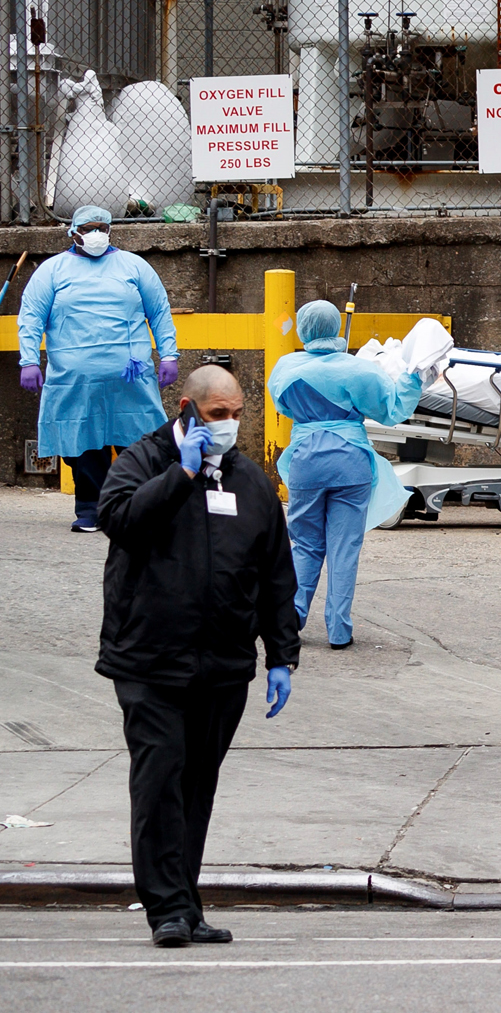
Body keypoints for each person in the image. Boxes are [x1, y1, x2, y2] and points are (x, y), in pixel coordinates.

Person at [96, 364, 298, 948]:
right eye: (218, 416)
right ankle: (167, 909)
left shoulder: (250, 482)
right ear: (187, 409)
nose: (230, 425)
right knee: (160, 780)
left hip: (223, 663)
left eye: (238, 415)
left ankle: (186, 902)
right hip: (150, 659)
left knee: (196, 786)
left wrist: (281, 653)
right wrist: (182, 473)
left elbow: (274, 572)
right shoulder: (141, 461)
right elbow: (122, 520)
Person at [267, 299, 427, 650]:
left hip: (305, 458)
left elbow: (281, 405)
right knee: (344, 548)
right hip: (350, 460)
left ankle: (292, 615)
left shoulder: (285, 368)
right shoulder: (360, 370)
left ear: (304, 329)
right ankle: (339, 630)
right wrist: (414, 378)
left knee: (306, 544)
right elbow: (392, 410)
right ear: (336, 328)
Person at [15, 205, 180, 532]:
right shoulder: (52, 271)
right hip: (75, 379)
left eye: (102, 227)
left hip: (130, 377)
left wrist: (170, 354)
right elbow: (31, 317)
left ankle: (139, 505)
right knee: (83, 444)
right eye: (89, 228)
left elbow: (159, 312)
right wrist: (29, 360)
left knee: (140, 442)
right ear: (73, 231)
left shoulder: (134, 266)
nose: (96, 234)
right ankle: (92, 508)